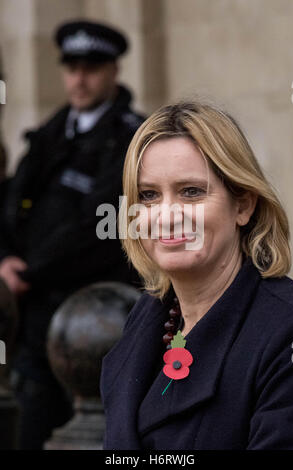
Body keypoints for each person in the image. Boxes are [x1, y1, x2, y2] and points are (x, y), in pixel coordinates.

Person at [100, 101, 293, 450]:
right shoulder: (148, 316)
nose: (167, 216)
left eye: (191, 191)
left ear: (243, 205)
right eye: (148, 196)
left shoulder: (288, 330)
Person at [0, 20, 144, 449]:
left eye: (92, 67)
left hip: (93, 316)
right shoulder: (51, 132)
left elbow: (102, 228)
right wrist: (6, 259)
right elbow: (11, 203)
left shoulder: (129, 137)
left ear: (114, 71)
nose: (79, 79)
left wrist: (31, 271)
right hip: (34, 315)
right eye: (72, 67)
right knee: (28, 427)